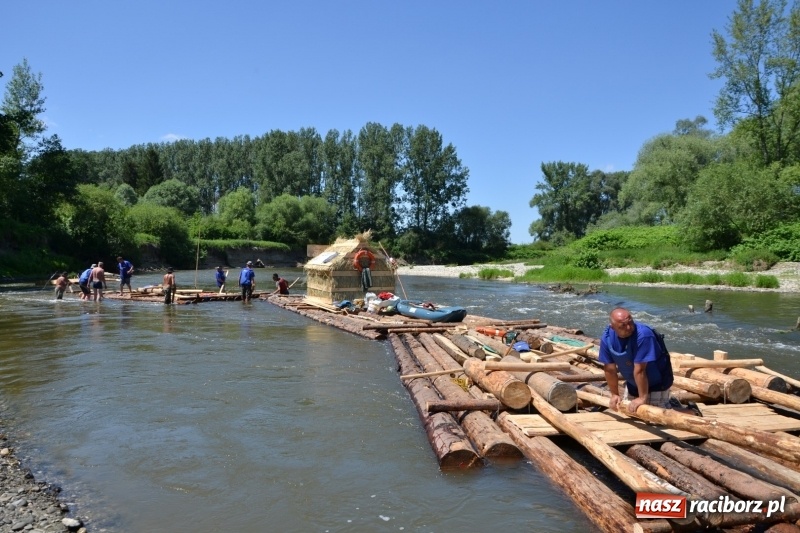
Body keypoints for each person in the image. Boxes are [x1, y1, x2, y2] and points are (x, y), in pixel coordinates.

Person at [599, 307, 677, 413]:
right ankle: (671, 402)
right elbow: (609, 369)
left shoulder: (644, 335)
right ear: (612, 327)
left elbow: (640, 370)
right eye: (623, 326)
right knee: (631, 414)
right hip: (633, 382)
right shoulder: (607, 337)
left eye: (630, 322)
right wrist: (614, 394)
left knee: (657, 418)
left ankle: (692, 411)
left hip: (657, 382)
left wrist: (642, 398)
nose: (629, 327)